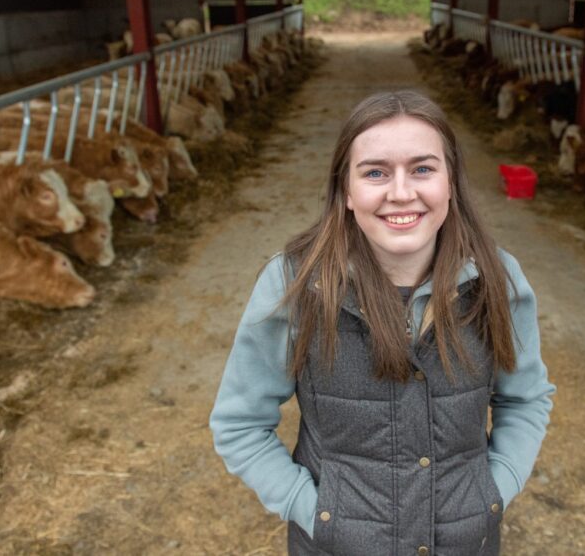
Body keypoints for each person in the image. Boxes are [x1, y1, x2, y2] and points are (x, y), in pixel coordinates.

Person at [210, 91, 555, 555]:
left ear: (451, 183)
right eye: (375, 172)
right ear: (346, 192)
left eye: (422, 169)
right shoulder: (297, 283)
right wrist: (310, 509)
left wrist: (494, 490)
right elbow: (239, 424)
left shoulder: (498, 278)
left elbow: (525, 399)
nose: (400, 192)